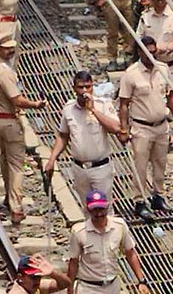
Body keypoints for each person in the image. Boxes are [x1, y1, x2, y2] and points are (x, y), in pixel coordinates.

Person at [0, 33, 46, 225]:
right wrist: (35, 105)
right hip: (9, 121)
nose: (11, 50)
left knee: (4, 158)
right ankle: (16, 207)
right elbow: (16, 99)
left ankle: (9, 197)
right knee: (17, 164)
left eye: (11, 47)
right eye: (6, 48)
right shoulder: (4, 72)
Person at [118, 36, 173, 222]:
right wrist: (124, 128)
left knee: (160, 163)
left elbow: (170, 96)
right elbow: (124, 104)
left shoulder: (163, 69)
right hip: (141, 127)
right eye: (148, 53)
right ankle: (139, 200)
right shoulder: (131, 74)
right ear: (140, 52)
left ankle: (158, 196)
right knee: (140, 165)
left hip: (161, 125)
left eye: (154, 52)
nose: (152, 56)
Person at [45, 71, 120, 209]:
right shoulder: (69, 108)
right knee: (86, 207)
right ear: (74, 89)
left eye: (88, 87)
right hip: (79, 168)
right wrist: (52, 159)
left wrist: (93, 110)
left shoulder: (103, 104)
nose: (85, 91)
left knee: (104, 207)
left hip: (100, 167)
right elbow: (63, 135)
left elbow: (116, 128)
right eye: (81, 87)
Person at [137, 0, 173, 138]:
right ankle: (163, 136)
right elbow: (138, 38)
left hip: (172, 64)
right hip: (153, 67)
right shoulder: (145, 17)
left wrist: (168, 48)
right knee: (156, 102)